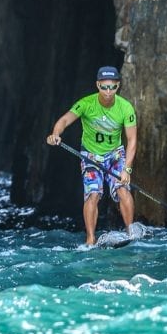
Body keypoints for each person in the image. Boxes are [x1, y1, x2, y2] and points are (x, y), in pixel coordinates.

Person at [46, 66, 137, 246]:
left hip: (115, 155)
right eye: (104, 87)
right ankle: (90, 239)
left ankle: (131, 234)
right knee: (93, 194)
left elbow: (132, 140)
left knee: (123, 189)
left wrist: (127, 169)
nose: (108, 92)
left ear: (118, 86)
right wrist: (56, 133)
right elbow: (65, 120)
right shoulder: (86, 104)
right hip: (91, 156)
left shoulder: (126, 108)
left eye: (113, 87)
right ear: (98, 85)